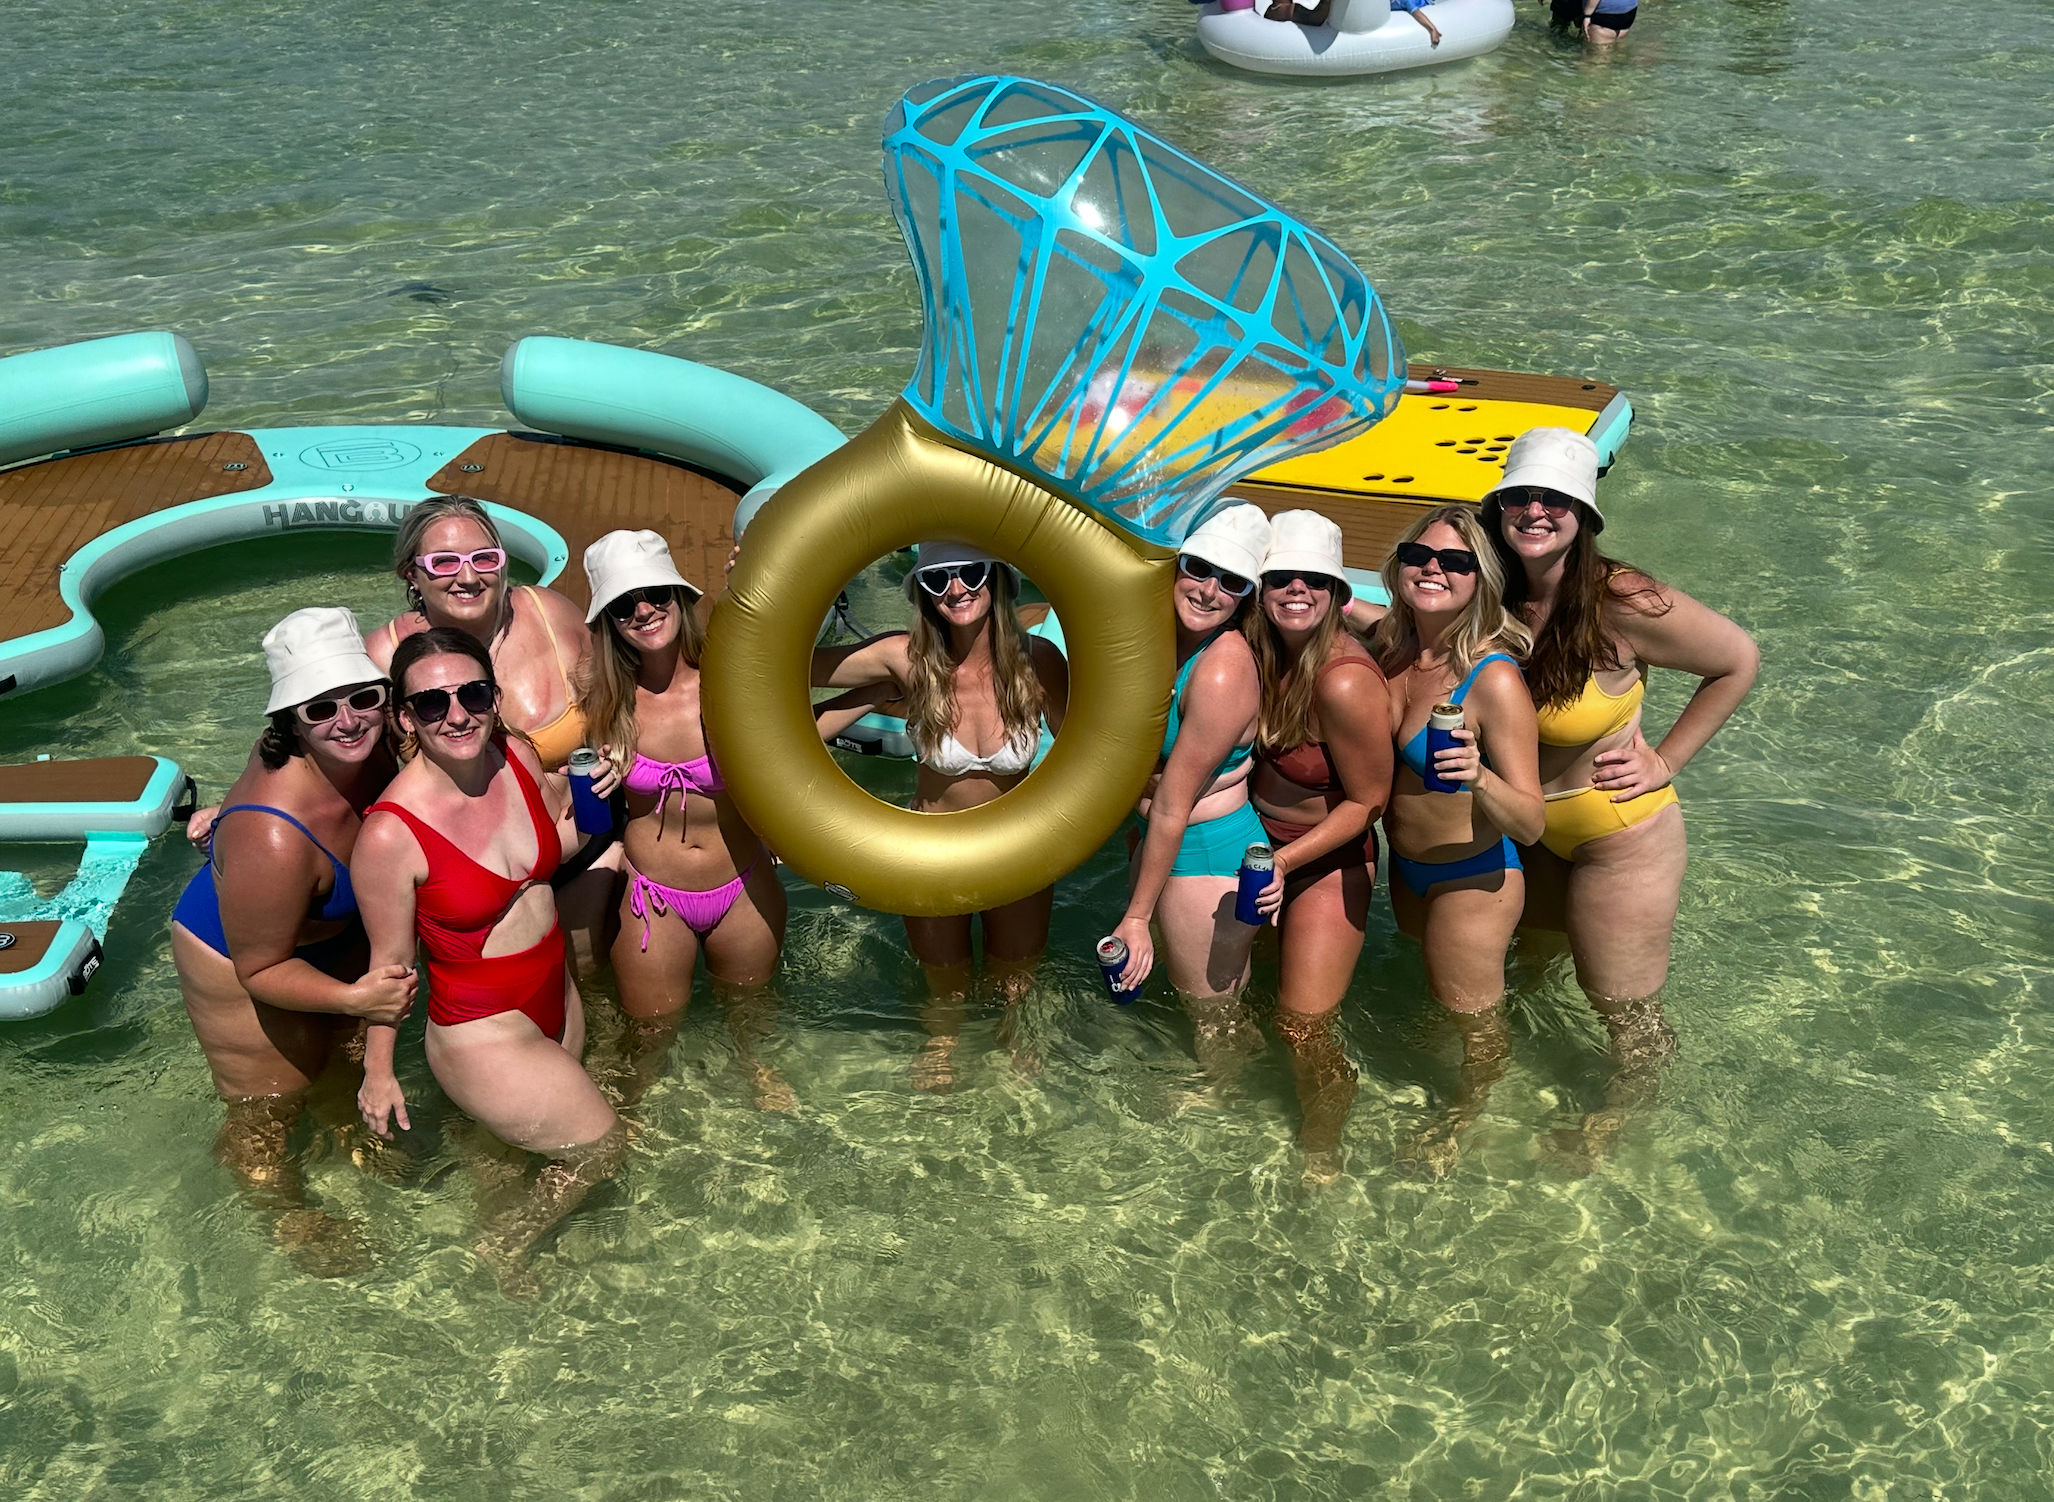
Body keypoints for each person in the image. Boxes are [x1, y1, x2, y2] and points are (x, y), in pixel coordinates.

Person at [1485, 428, 1757, 1162]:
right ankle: (1504, 1089)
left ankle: (1618, 1121)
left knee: (1624, 1010)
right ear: (1498, 506)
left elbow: (1737, 661)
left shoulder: (1622, 601)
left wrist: (1666, 761)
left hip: (1618, 837)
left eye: (1555, 499)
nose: (1535, 511)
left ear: (1585, 515)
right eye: (1519, 496)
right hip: (1526, 829)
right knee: (1527, 974)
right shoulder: (1484, 587)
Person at [353, 628, 621, 1286]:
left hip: (553, 989)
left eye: (471, 694)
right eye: (431, 704)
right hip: (481, 1024)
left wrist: (593, 796)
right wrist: (378, 1073)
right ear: (404, 718)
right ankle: (501, 1246)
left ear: (495, 698)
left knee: (506, 1156)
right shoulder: (391, 833)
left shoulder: (518, 758)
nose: (456, 714)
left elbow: (550, 849)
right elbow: (390, 968)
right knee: (600, 1148)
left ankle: (504, 1278)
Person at [170, 607, 416, 1274]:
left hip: (322, 918)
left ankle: (349, 1132)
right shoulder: (275, 834)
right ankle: (284, 1212)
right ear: (288, 724)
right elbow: (261, 968)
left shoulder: (377, 740)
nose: (347, 720)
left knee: (339, 1059)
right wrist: (358, 999)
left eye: (362, 697)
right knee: (268, 1109)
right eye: (319, 709)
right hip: (240, 950)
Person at [811, 543, 1069, 1090]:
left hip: (1016, 845)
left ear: (997, 579)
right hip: (931, 845)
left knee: (1014, 981)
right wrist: (873, 692)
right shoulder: (904, 658)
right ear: (922, 593)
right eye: (937, 580)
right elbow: (779, 660)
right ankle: (944, 1040)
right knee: (944, 985)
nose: (956, 589)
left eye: (971, 573)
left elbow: (1084, 752)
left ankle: (1013, 1039)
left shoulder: (1038, 659)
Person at [577, 530, 792, 1111]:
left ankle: (759, 1080)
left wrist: (876, 691)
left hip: (742, 884)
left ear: (680, 596)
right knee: (646, 1043)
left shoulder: (729, 680)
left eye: (656, 595)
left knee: (752, 1021)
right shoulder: (602, 705)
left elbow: (791, 641)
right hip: (654, 900)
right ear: (609, 624)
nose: (643, 611)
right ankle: (628, 1124)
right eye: (624, 604)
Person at [363, 496, 620, 976]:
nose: (467, 577)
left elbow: (630, 695)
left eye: (484, 559)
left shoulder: (549, 617)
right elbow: (332, 744)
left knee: (597, 1005)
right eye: (444, 562)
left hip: (586, 846)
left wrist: (620, 760)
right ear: (411, 576)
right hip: (473, 887)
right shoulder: (385, 657)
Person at [1372, 505, 1544, 1175]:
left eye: (1455, 562)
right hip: (1410, 872)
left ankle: (1461, 1122)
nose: (1432, 569)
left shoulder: (1493, 678)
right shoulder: (1392, 650)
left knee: (1475, 1026)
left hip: (1473, 877)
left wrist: (1477, 775)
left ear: (1482, 580)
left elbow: (1531, 822)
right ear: (1398, 568)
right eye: (1418, 557)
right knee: (1436, 999)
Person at [1243, 511, 1392, 1180]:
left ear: (1337, 593)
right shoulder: (1259, 650)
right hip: (1260, 847)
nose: (1295, 590)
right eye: (1280, 578)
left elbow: (1369, 802)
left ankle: (1323, 1141)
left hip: (1325, 855)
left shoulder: (1343, 680)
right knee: (1253, 999)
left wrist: (1284, 862)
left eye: (1314, 580)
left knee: (1302, 1027)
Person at [1106, 503, 1268, 1079]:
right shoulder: (1160, 642)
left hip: (1204, 856)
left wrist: (1134, 916)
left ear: (1247, 594)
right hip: (1167, 844)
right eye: (1198, 568)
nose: (1208, 590)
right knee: (1199, 1013)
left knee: (1215, 1019)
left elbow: (1175, 801)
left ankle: (1235, 1131)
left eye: (1231, 582)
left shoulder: (1221, 668)